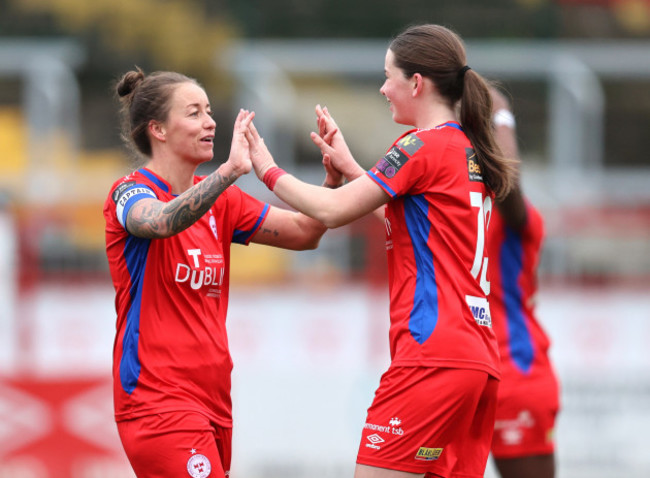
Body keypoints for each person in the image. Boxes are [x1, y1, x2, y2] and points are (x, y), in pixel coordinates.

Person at [245, 24, 517, 478]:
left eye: (389, 75)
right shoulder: (467, 149)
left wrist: (267, 170)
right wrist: (353, 169)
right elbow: (415, 226)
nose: (383, 87)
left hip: (432, 353)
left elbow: (331, 212)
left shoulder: (421, 146)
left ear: (416, 83)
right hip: (475, 359)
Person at [103, 68, 336, 478]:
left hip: (214, 401)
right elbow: (158, 222)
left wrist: (331, 182)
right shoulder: (129, 191)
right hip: (157, 401)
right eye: (194, 113)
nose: (210, 122)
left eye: (209, 111)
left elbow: (305, 233)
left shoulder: (223, 202)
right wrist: (227, 172)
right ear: (157, 129)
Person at [487, 87, 560, 478]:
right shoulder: (452, 207)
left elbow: (509, 185)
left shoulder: (515, 215)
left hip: (514, 370)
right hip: (455, 373)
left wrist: (500, 115)